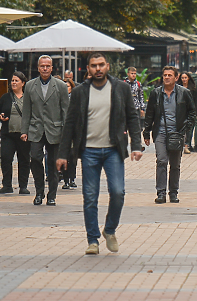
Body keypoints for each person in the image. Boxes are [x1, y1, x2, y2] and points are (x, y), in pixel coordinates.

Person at [56, 52, 143, 255]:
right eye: (94, 65)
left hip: (113, 150)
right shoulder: (79, 92)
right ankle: (92, 239)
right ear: (88, 68)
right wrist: (62, 154)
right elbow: (69, 123)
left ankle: (110, 230)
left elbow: (132, 117)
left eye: (101, 65)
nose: (98, 69)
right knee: (90, 196)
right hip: (89, 151)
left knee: (118, 192)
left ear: (107, 66)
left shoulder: (120, 88)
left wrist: (136, 145)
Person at [21, 54, 70, 206]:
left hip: (55, 130)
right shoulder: (30, 85)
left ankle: (52, 195)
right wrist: (24, 130)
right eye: (42, 66)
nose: (45, 68)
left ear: (52, 67)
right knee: (35, 158)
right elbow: (27, 110)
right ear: (38, 67)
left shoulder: (60, 86)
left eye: (48, 66)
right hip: (36, 129)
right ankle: (39, 191)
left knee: (53, 164)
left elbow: (65, 111)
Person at [144, 66, 197, 204]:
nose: (166, 77)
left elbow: (192, 112)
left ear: (176, 77)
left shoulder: (184, 93)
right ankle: (161, 192)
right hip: (160, 132)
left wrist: (186, 128)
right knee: (161, 161)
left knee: (175, 164)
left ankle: (173, 192)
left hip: (177, 133)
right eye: (165, 75)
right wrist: (146, 131)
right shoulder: (156, 93)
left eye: (169, 75)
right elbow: (150, 114)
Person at [0, 71, 31, 195]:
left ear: (23, 83)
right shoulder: (5, 97)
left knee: (24, 160)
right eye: (12, 80)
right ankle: (7, 185)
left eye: (16, 80)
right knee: (5, 158)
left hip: (24, 134)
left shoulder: (28, 97)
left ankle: (23, 186)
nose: (13, 83)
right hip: (8, 134)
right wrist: (0, 116)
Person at [179, 72, 197, 155]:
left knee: (189, 129)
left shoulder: (193, 89)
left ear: (188, 78)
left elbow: (196, 101)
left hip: (189, 111)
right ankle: (180, 145)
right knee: (180, 129)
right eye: (182, 78)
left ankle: (187, 145)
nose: (184, 79)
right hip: (180, 111)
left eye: (185, 78)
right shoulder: (178, 88)